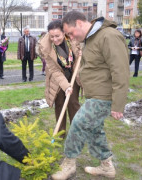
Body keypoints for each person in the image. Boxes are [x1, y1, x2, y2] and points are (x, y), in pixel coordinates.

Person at [51, 11, 129, 180]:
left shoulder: (109, 36)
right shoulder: (90, 38)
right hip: (94, 94)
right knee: (94, 130)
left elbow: (120, 70)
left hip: (104, 96)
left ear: (79, 23)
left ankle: (69, 164)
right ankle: (106, 166)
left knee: (78, 124)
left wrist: (118, 104)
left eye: (71, 33)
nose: (71, 37)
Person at [37, 20, 81, 137]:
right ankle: (61, 133)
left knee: (73, 103)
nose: (55, 39)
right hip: (57, 78)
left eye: (57, 36)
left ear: (64, 32)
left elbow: (78, 57)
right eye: (52, 36)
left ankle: (75, 132)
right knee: (60, 104)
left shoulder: (73, 39)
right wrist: (66, 86)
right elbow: (55, 70)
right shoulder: (45, 47)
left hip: (72, 75)